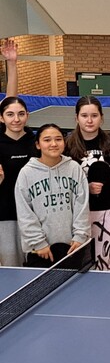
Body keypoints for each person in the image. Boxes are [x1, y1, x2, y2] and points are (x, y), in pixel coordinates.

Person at [15, 124, 90, 267]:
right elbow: (25, 212)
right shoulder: (26, 173)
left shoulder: (74, 168)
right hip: (40, 250)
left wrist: (80, 236)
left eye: (58, 139)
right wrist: (38, 243)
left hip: (72, 247)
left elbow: (82, 204)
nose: (54, 144)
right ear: (38, 145)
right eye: (47, 140)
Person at [65, 96, 110, 271]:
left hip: (109, 212)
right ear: (76, 118)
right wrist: (86, 188)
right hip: (78, 215)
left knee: (106, 263)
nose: (89, 120)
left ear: (101, 118)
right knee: (81, 265)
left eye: (94, 115)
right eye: (84, 116)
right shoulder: (66, 145)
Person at [0, 98, 36, 267]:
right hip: (6, 215)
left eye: (21, 114)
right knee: (12, 266)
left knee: (37, 266)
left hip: (35, 215)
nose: (16, 119)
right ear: (1, 118)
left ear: (27, 115)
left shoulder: (37, 143)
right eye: (10, 114)